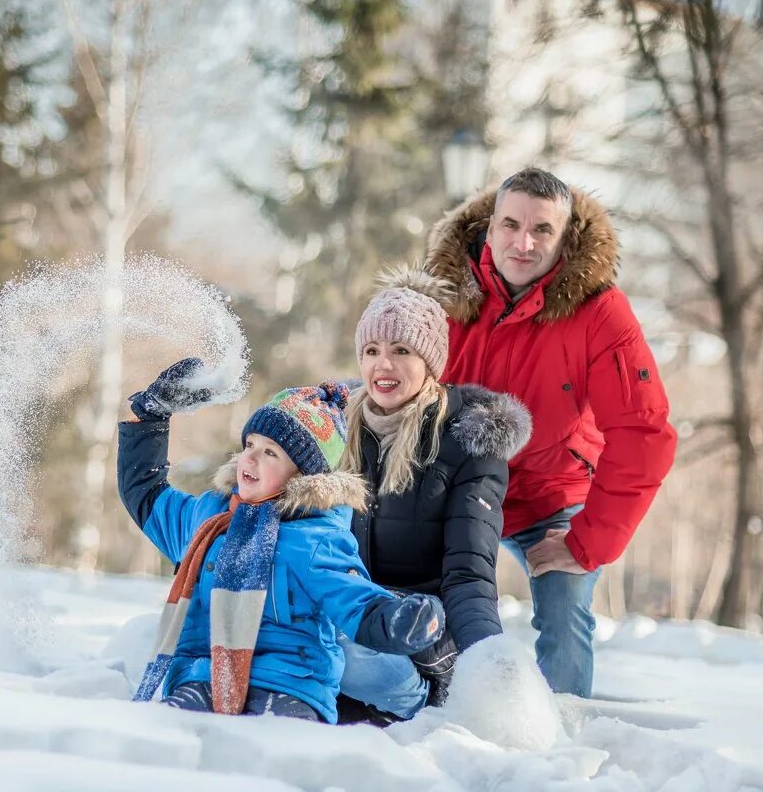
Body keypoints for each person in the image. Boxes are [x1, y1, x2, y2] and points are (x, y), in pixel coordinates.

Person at [420, 166, 678, 697]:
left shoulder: (601, 313)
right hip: (458, 491)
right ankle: (429, 716)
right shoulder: (442, 296)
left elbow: (642, 432)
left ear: (566, 238)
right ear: (488, 228)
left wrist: (587, 544)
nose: (523, 242)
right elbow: (391, 390)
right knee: (421, 602)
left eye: (542, 230)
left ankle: (560, 739)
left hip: (553, 496)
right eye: (511, 224)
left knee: (564, 613)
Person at [117, 361, 446, 724]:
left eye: (271, 452)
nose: (251, 457)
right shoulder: (209, 518)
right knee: (169, 734)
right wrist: (150, 417)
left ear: (303, 475)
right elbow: (145, 494)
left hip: (290, 685)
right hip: (201, 677)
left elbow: (355, 601)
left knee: (271, 748)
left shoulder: (316, 539)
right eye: (250, 444)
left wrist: (398, 622)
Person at [336, 270, 531, 722]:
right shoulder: (335, 428)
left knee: (364, 644)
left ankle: (413, 700)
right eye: (371, 351)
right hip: (349, 609)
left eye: (401, 351)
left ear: (430, 363)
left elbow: (469, 575)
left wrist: (487, 666)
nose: (382, 366)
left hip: (423, 628)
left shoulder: (467, 443)